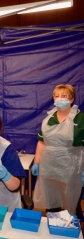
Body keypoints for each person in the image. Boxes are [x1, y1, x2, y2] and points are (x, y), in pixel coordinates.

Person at [32, 84, 84, 215]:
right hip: (49, 166)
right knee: (51, 200)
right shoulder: (49, 118)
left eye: (64, 96)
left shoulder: (81, 118)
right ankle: (53, 228)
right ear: (53, 98)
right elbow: (42, 142)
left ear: (72, 99)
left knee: (71, 202)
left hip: (71, 167)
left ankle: (72, 230)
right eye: (57, 96)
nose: (60, 99)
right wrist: (37, 162)